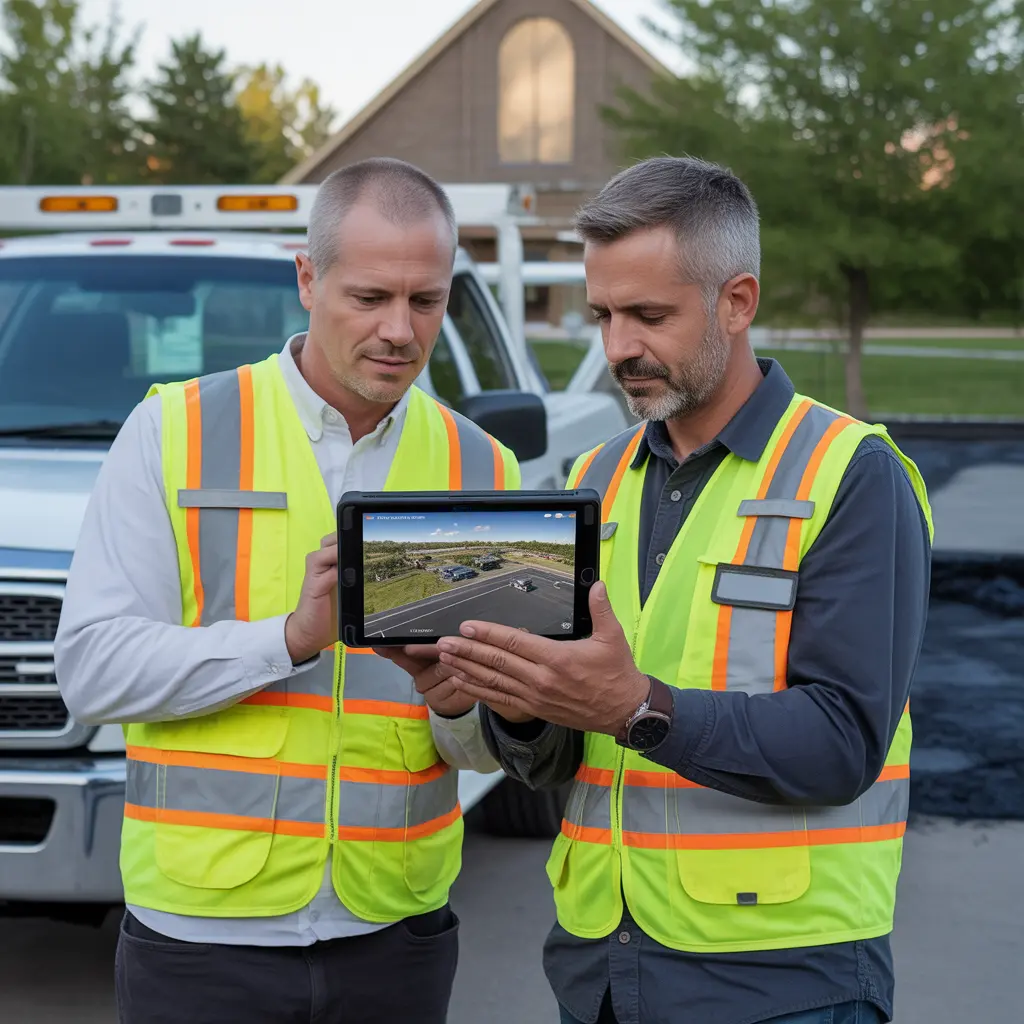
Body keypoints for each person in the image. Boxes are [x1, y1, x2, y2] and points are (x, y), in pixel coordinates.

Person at [427, 156, 933, 1024]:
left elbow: (845, 742)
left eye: (649, 316)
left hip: (783, 982)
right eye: (603, 316)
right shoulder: (593, 479)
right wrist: (511, 699)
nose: (619, 347)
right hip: (601, 973)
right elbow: (552, 758)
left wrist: (637, 706)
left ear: (738, 302)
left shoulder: (852, 475)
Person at [54, 157, 518, 1024]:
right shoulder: (174, 430)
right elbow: (91, 672)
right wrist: (289, 639)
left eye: (425, 301)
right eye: (370, 297)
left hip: (398, 930)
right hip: (203, 937)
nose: (400, 330)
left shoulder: (479, 466)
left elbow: (486, 753)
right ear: (308, 279)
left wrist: (458, 705)